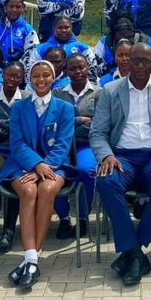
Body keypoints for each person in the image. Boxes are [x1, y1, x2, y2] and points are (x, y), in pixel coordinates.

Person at [91, 42, 151, 286]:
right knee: (106, 181)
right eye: (136, 60)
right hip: (122, 156)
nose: (141, 66)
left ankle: (132, 249)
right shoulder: (110, 90)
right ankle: (135, 254)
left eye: (147, 61)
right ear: (126, 61)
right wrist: (106, 156)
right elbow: (98, 132)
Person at [0, 60, 75, 289]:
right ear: (29, 79)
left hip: (55, 164)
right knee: (29, 191)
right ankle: (32, 259)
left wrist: (45, 166)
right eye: (36, 76)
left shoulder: (65, 108)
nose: (41, 80)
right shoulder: (20, 108)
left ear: (54, 78)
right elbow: (17, 143)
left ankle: (30, 259)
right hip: (22, 163)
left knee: (48, 188)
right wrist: (35, 165)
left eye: (46, 75)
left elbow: (63, 144)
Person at [52, 53, 98, 239]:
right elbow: (53, 124)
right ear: (66, 71)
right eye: (73, 68)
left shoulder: (99, 93)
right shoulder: (57, 94)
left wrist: (69, 123)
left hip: (86, 145)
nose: (78, 71)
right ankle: (63, 218)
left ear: (88, 68)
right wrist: (79, 121)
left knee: (87, 171)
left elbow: (101, 123)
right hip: (60, 146)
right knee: (51, 173)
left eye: (81, 67)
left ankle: (82, 217)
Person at [0, 61, 28, 253]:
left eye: (17, 76)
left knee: (15, 177)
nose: (13, 79)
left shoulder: (28, 99)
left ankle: (8, 231)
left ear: (22, 79)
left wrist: (7, 127)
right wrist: (10, 128)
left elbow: (28, 130)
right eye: (9, 75)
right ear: (2, 76)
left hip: (22, 150)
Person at [31, 16, 96, 74]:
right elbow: (32, 68)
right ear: (54, 29)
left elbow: (92, 68)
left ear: (71, 28)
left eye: (67, 27)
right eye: (60, 28)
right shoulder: (41, 48)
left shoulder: (82, 48)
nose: (63, 30)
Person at [91, 12, 139, 78]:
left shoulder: (144, 40)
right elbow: (94, 63)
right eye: (121, 35)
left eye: (128, 35)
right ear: (114, 33)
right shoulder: (105, 41)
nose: (124, 38)